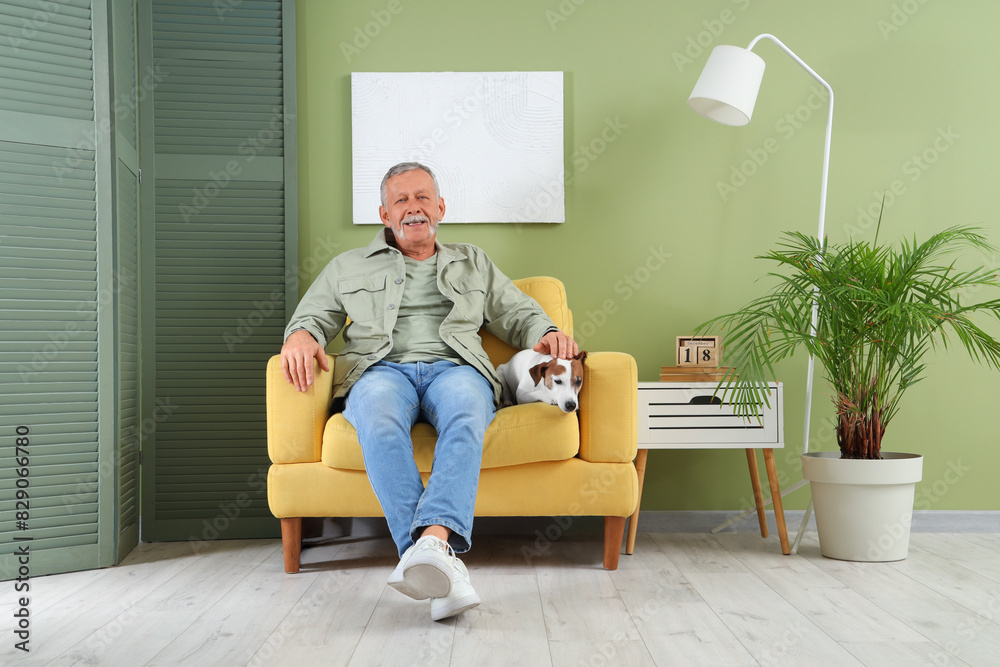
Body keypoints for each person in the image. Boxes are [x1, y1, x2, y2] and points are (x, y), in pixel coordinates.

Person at [280, 162, 579, 620]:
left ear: (440, 207)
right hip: (380, 371)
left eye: (422, 198)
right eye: (401, 200)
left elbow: (518, 313)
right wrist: (301, 335)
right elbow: (313, 317)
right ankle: (438, 560)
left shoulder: (473, 261)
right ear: (384, 213)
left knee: (467, 412)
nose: (413, 208)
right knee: (377, 419)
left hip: (456, 369)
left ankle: (429, 550)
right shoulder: (347, 266)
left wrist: (549, 331)